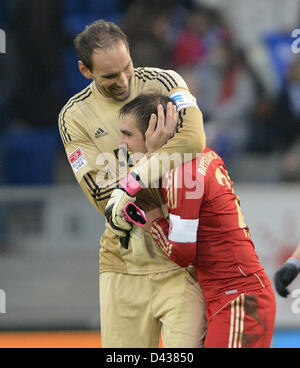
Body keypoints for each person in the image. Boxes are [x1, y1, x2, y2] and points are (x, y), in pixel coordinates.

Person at [58, 20, 206, 348]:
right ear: (85, 70)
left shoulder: (167, 81)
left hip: (180, 263)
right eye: (110, 76)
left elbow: (194, 140)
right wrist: (162, 152)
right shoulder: (74, 117)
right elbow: (103, 198)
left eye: (127, 67)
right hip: (123, 265)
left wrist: (134, 177)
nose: (124, 81)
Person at [118, 92, 276, 348]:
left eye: (127, 134)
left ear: (154, 130)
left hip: (237, 299)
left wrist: (153, 220)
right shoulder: (199, 156)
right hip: (232, 296)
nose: (120, 143)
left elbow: (182, 253)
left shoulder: (182, 174)